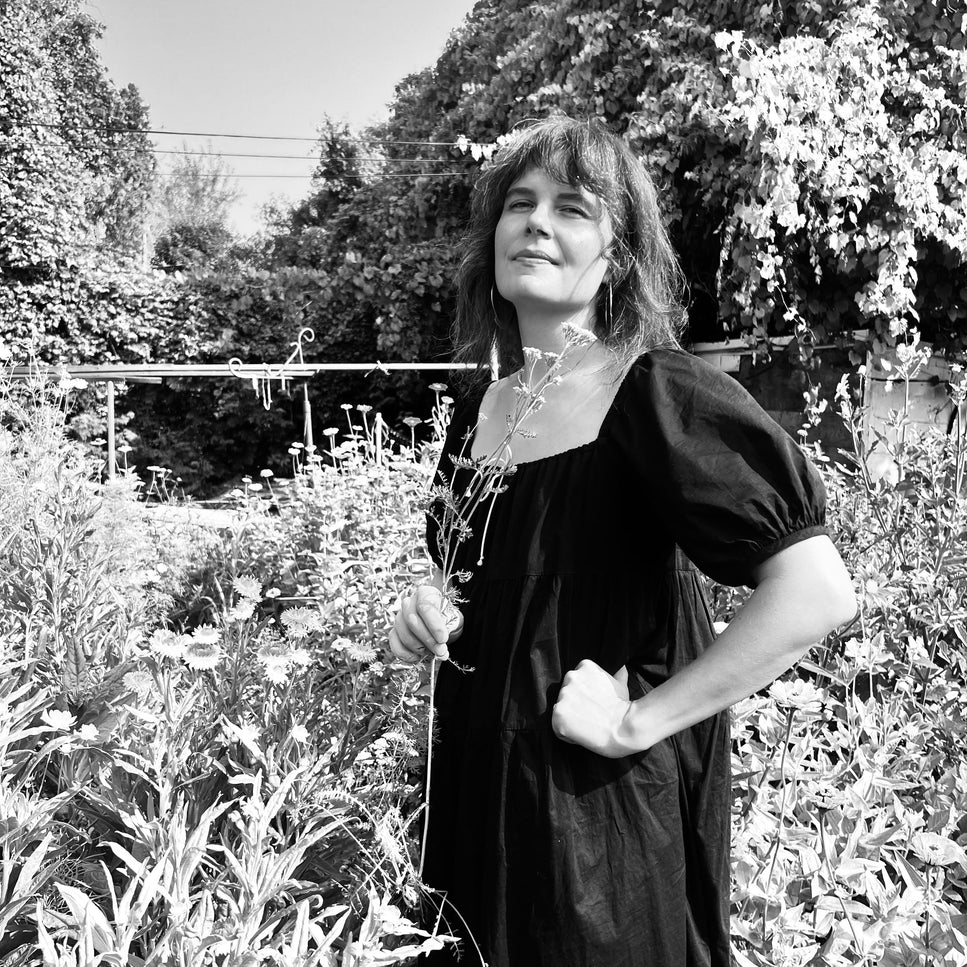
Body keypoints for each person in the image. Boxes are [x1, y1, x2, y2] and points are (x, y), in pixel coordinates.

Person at [388, 116, 857, 967]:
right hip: (474, 805)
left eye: (572, 208)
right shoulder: (482, 410)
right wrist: (427, 611)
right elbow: (474, 582)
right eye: (518, 203)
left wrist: (637, 720)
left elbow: (816, 590)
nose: (534, 222)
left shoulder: (656, 392)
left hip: (596, 824)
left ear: (619, 256)